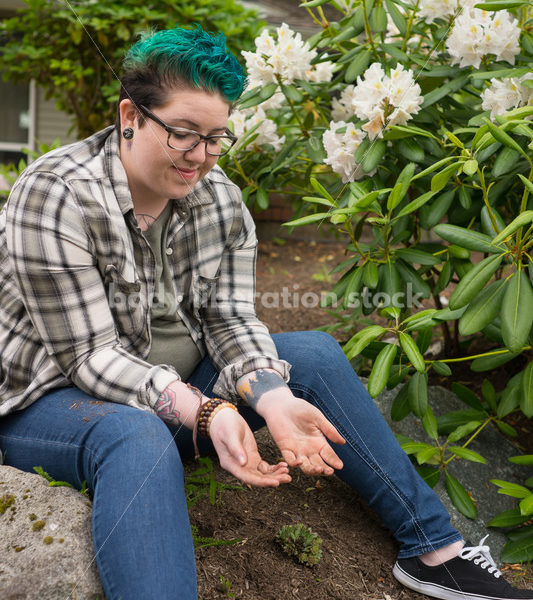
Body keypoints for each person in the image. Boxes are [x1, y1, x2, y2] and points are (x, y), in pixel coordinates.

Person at [0, 25, 530, 600]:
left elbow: (231, 319)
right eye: (183, 134)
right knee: (136, 436)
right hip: (53, 402)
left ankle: (434, 551)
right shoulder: (56, 192)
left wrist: (269, 394)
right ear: (131, 115)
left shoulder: (219, 197)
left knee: (315, 355)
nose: (200, 157)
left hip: (181, 391)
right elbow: (90, 355)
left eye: (215, 137)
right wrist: (203, 411)